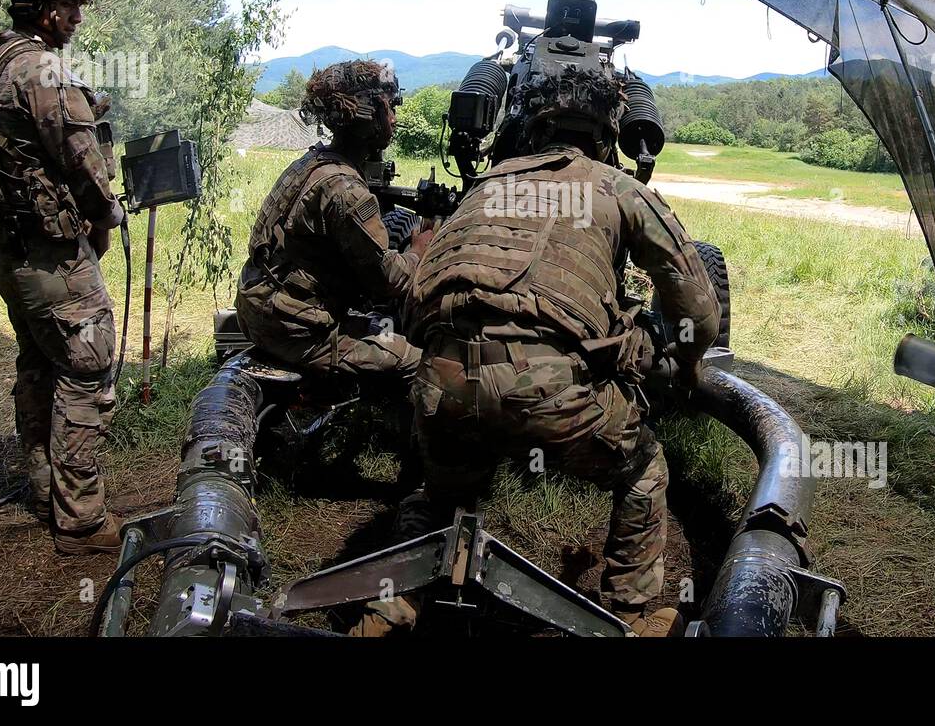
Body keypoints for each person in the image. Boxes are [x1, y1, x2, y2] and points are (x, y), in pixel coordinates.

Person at [356, 67, 721, 637]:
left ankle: (392, 604)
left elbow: (422, 285)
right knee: (644, 468)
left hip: (441, 386)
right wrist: (685, 368)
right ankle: (627, 611)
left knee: (441, 492)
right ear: (607, 133)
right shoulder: (620, 189)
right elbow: (698, 313)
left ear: (533, 125)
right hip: (549, 395)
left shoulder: (486, 186)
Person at [0, 0, 125, 555]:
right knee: (88, 367)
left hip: (8, 253)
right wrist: (107, 217)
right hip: (51, 257)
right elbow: (85, 167)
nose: (78, 16)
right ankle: (82, 519)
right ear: (42, 5)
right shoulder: (43, 71)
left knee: (40, 361)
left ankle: (43, 486)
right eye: (70, 4)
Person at [235, 60, 432, 392]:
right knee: (421, 364)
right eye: (389, 109)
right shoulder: (346, 189)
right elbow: (386, 281)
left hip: (256, 312)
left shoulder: (310, 163)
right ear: (369, 119)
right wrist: (417, 252)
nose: (394, 119)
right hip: (297, 333)